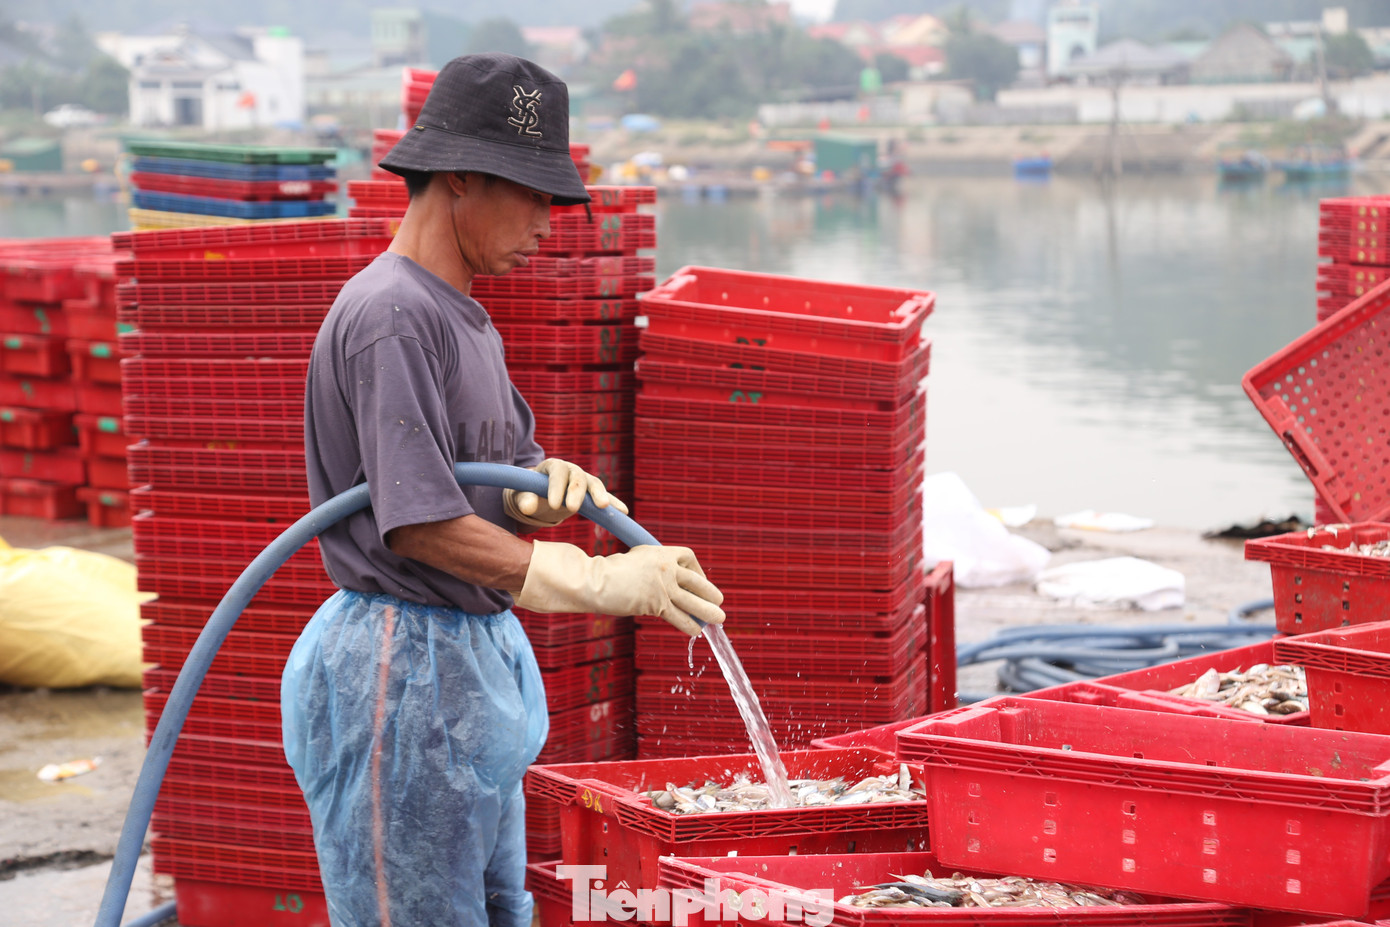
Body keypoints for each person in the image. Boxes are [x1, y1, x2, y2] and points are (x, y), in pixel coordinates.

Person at [280, 53, 727, 927]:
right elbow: (418, 523)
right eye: (531, 196)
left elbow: (493, 472)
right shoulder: (393, 315)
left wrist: (537, 492)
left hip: (466, 670)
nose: (546, 225)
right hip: (399, 679)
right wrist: (595, 581)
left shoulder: (463, 315)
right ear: (458, 176)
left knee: (488, 907)